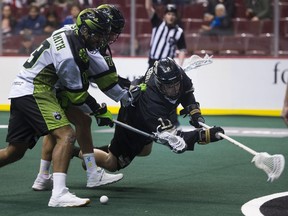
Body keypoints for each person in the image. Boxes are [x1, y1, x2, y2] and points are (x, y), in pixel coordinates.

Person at [0, 8, 114, 207]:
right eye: (98, 35)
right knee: (66, 134)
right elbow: (76, 94)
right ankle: (59, 194)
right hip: (35, 90)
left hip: (23, 90)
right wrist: (98, 110)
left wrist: (95, 110)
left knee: (14, 152)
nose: (100, 40)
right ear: (86, 32)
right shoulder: (70, 55)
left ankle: (49, 179)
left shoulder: (70, 31)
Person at [31, 5, 138, 191]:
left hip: (50, 86)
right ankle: (83, 178)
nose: (111, 36)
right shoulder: (87, 45)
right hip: (48, 90)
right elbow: (105, 81)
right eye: (110, 31)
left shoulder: (76, 32)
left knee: (73, 124)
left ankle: (43, 177)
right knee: (67, 130)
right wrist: (123, 98)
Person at [76, 57, 225, 172]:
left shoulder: (178, 74)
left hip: (144, 116)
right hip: (133, 119)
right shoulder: (152, 103)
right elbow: (176, 141)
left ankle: (104, 151)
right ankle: (78, 152)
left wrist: (194, 113)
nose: (174, 90)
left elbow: (186, 93)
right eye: (169, 87)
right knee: (113, 163)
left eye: (176, 85)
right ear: (160, 84)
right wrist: (205, 135)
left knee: (145, 150)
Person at [145, 0, 187, 68]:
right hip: (152, 63)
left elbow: (182, 50)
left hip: (167, 66)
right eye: (169, 14)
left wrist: (180, 66)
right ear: (164, 15)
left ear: (176, 17)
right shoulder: (157, 23)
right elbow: (148, 7)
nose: (171, 17)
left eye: (173, 15)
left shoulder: (179, 32)